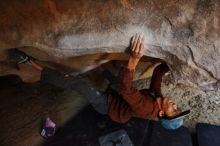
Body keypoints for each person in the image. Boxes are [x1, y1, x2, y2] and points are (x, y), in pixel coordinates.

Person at [8, 33, 186, 130]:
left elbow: (126, 89)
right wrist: (176, 66)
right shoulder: (158, 97)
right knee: (109, 74)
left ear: (162, 114)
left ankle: (28, 62)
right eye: (178, 108)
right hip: (119, 96)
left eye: (174, 110)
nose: (175, 105)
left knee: (76, 82)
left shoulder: (148, 108)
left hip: (109, 106)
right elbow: (157, 76)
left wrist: (134, 59)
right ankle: (95, 75)